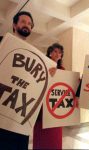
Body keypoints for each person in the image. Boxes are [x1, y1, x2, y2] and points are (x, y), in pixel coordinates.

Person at [0, 11, 34, 149]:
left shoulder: (33, 54)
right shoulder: (2, 42)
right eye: (23, 22)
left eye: (30, 24)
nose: (27, 25)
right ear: (14, 25)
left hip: (21, 114)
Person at [33, 43, 64, 149]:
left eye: (60, 52)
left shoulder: (63, 70)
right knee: (41, 138)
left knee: (55, 138)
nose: (58, 54)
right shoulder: (41, 65)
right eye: (55, 51)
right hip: (41, 108)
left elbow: (65, 87)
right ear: (50, 53)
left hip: (56, 108)